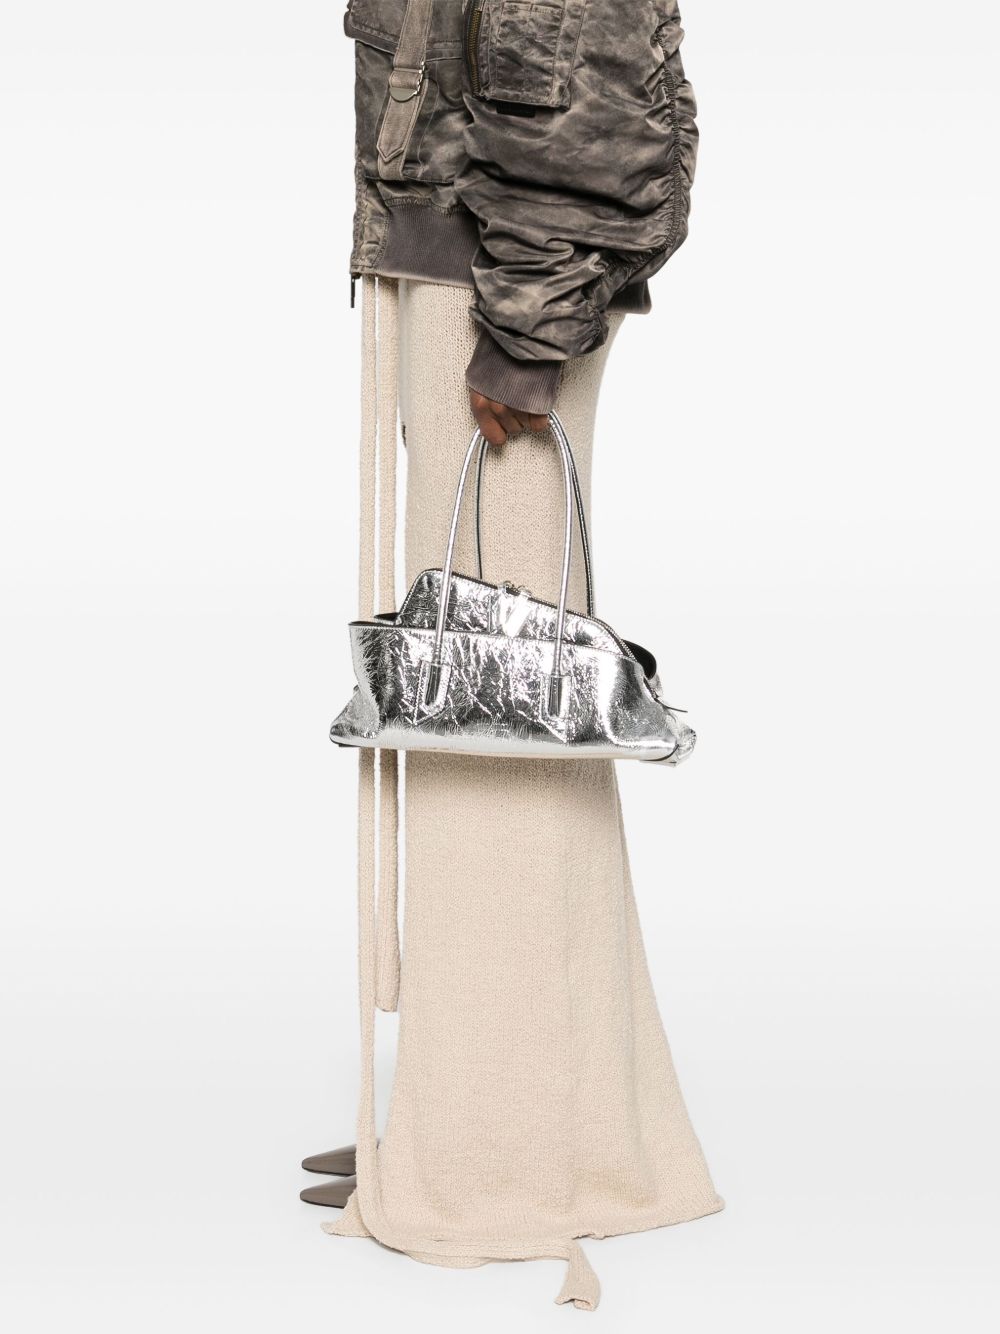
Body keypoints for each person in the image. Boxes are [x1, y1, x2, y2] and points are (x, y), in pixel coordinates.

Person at [304, 0, 723, 1309]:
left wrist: (529, 330)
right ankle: (527, 1118)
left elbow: (586, 66)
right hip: (461, 267)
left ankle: (492, 1154)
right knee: (495, 700)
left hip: (494, 284)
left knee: (499, 716)